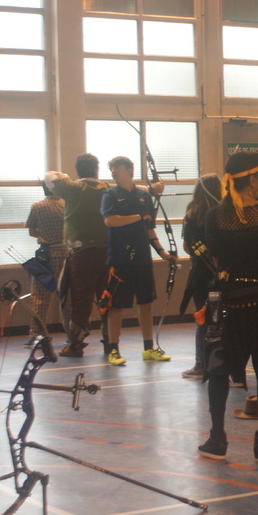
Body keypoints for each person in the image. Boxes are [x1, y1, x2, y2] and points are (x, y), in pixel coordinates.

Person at [197, 151, 258, 462]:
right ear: (251, 181)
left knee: (219, 371)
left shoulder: (214, 216)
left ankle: (217, 438)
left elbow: (216, 258)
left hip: (228, 303)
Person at [100, 156, 176, 366]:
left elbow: (149, 228)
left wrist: (163, 253)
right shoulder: (110, 195)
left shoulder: (144, 196)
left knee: (146, 303)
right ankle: (113, 350)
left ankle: (149, 349)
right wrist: (138, 217)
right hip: (120, 258)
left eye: (117, 167)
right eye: (111, 168)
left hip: (143, 258)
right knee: (116, 306)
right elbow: (110, 220)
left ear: (129, 170)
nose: (114, 171)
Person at [45, 154, 111, 357]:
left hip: (82, 256)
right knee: (107, 298)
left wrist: (68, 178)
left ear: (78, 171)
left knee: (80, 300)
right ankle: (111, 342)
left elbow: (50, 175)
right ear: (97, 170)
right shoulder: (107, 189)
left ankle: (75, 344)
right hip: (108, 253)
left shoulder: (72, 188)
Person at [180, 174, 222, 380]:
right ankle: (223, 363)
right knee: (220, 319)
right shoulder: (223, 211)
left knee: (202, 318)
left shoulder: (192, 212)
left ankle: (200, 364)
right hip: (220, 273)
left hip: (200, 274)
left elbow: (187, 246)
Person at [24, 184, 70, 345]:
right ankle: (72, 335)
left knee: (40, 297)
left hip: (46, 256)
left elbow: (32, 231)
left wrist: (42, 235)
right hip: (67, 255)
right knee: (67, 297)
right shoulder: (67, 205)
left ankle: (36, 335)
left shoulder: (37, 206)